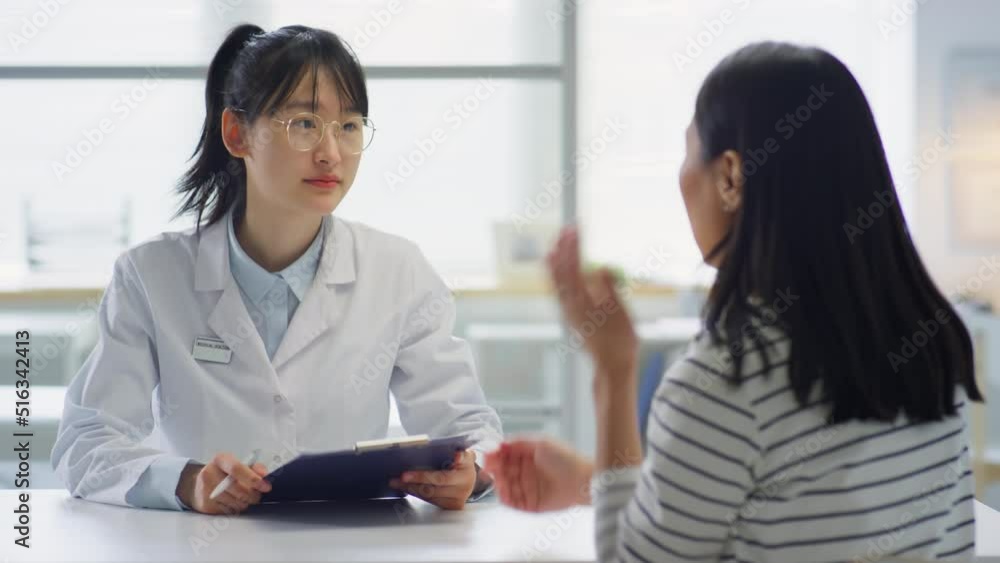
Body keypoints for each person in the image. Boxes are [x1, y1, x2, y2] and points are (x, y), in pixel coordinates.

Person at [485, 41, 982, 562]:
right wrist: (594, 481)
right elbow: (792, 503)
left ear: (729, 177)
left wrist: (614, 371)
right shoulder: (929, 343)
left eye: (686, 152)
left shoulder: (728, 378)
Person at [52, 23, 502, 515]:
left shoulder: (399, 271)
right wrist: (188, 483)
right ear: (237, 133)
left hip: (353, 546)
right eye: (304, 124)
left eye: (349, 127)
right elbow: (86, 443)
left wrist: (470, 471)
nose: (331, 152)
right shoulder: (151, 275)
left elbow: (468, 425)